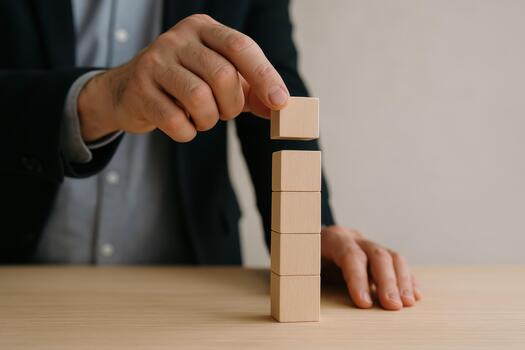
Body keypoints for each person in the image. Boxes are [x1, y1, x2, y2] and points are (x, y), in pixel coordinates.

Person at [0, 0, 421, 310]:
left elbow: (274, 93)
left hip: (195, 293)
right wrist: (103, 97)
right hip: (17, 280)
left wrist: (311, 228)